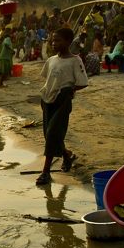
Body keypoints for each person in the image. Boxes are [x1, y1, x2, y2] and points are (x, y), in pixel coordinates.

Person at [36, 28, 89, 185]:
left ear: (68, 42)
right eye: (53, 40)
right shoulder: (51, 60)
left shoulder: (75, 60)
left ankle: (45, 172)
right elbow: (48, 79)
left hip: (63, 100)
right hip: (47, 99)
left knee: (53, 132)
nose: (54, 43)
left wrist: (70, 90)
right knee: (50, 133)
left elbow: (83, 82)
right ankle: (66, 155)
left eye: (58, 40)